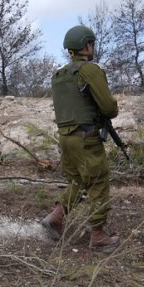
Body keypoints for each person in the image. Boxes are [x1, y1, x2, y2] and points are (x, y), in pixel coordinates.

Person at [42, 24, 120, 253]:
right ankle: (98, 236)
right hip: (86, 137)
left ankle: (56, 217)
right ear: (86, 45)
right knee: (98, 182)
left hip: (66, 138)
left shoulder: (59, 76)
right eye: (92, 43)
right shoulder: (90, 70)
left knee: (78, 181)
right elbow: (109, 107)